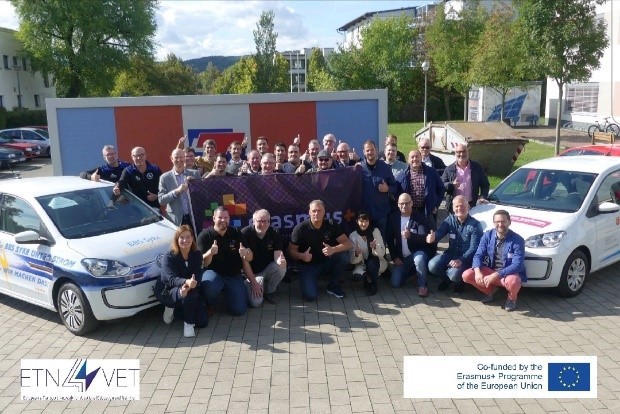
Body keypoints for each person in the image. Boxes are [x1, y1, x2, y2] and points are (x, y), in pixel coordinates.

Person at [462, 210, 526, 311]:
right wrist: (477, 272)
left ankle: (511, 299)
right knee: (467, 275)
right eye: (497, 222)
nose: (500, 224)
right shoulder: (487, 235)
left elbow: (517, 264)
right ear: (493, 223)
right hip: (490, 271)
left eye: (503, 221)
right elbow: (478, 255)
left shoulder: (518, 240)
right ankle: (490, 291)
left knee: (514, 281)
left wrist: (497, 274)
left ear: (509, 222)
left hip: (507, 274)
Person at [288, 200, 353, 300]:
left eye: (319, 210)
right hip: (308, 266)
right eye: (314, 211)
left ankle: (333, 285)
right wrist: (302, 256)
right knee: (310, 296)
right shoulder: (300, 229)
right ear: (309, 212)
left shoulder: (331, 224)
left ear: (324, 212)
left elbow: (348, 244)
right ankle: (312, 282)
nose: (316, 213)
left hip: (327, 262)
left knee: (343, 257)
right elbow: (290, 251)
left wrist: (333, 249)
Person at [155, 225, 208, 337]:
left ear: (192, 238)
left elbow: (198, 274)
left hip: (190, 287)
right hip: (169, 289)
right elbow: (171, 278)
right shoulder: (169, 257)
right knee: (187, 295)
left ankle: (175, 309)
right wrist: (185, 283)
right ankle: (188, 324)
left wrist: (191, 284)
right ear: (177, 239)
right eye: (181, 237)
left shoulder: (197, 254)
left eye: (188, 237)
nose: (185, 240)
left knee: (202, 322)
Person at [197, 207, 251, 316]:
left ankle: (232, 290)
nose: (223, 220)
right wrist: (210, 253)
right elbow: (203, 263)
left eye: (225, 217)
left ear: (229, 218)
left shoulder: (236, 232)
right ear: (214, 218)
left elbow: (249, 258)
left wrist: (246, 253)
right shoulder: (205, 235)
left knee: (239, 311)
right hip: (214, 273)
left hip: (234, 275)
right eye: (220, 217)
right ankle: (209, 303)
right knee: (209, 287)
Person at [427, 195, 483, 293]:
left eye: (462, 206)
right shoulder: (450, 220)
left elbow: (474, 248)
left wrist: (461, 260)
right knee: (432, 265)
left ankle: (458, 281)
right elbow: (440, 233)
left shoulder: (475, 225)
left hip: (466, 258)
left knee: (454, 274)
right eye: (457, 206)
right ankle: (447, 280)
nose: (459, 208)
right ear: (453, 208)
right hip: (450, 254)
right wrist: (433, 237)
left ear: (468, 207)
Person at [385, 193, 435, 297]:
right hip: (403, 258)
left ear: (411, 203)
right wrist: (394, 257)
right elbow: (389, 239)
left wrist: (410, 235)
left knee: (419, 259)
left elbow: (425, 238)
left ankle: (422, 286)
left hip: (417, 253)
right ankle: (415, 271)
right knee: (395, 283)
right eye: (401, 203)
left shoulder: (420, 218)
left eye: (407, 203)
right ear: (398, 204)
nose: (404, 206)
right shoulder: (393, 217)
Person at [241, 209, 287, 306]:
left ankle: (270, 290)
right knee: (255, 303)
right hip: (252, 274)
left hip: (266, 270)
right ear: (253, 221)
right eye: (260, 221)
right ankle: (252, 285)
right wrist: (254, 282)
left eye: (266, 221)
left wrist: (281, 261)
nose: (263, 224)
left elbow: (277, 255)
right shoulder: (245, 233)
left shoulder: (274, 232)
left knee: (281, 268)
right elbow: (246, 261)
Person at [396, 149, 445, 230]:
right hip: (409, 211)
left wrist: (436, 205)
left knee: (430, 234)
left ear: (421, 158)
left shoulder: (431, 172)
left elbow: (441, 189)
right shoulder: (402, 174)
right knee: (410, 234)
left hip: (426, 211)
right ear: (408, 160)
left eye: (417, 157)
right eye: (412, 157)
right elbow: (397, 193)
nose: (415, 159)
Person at [358, 139, 397, 238]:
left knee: (380, 241)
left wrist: (387, 189)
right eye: (367, 150)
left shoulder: (386, 168)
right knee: (365, 241)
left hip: (381, 213)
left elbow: (395, 187)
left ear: (376, 150)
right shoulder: (359, 168)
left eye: (372, 150)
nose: (370, 152)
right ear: (364, 152)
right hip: (364, 214)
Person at [158, 149, 201, 226]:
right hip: (176, 219)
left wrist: (194, 185)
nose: (179, 160)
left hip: (193, 218)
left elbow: (202, 195)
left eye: (181, 157)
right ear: (171, 159)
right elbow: (161, 200)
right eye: (176, 157)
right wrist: (176, 191)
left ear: (184, 158)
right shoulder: (164, 178)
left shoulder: (195, 174)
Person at [442, 143, 490, 211]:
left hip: (471, 205)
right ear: (455, 153)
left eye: (464, 151)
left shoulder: (477, 167)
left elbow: (485, 184)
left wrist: (483, 197)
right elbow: (441, 185)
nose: (461, 154)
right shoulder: (449, 169)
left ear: (468, 152)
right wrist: (451, 184)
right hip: (455, 207)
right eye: (459, 152)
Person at [348, 211, 387, 296]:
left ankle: (374, 284)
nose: (364, 224)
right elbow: (352, 260)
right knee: (357, 277)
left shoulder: (375, 231)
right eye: (361, 221)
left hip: (377, 262)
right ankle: (367, 278)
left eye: (366, 221)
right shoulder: (353, 236)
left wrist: (375, 247)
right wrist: (356, 254)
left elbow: (382, 252)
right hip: (362, 263)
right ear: (357, 221)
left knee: (373, 264)